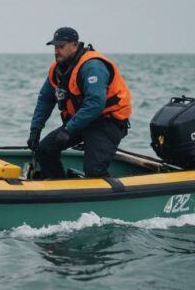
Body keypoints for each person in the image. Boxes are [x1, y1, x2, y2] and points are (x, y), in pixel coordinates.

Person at [27, 27, 132, 178]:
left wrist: (68, 129)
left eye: (61, 46)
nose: (57, 51)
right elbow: (45, 99)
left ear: (75, 45)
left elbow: (96, 103)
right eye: (55, 47)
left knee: (94, 171)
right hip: (80, 122)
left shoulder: (92, 66)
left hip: (107, 122)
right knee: (45, 149)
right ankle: (57, 188)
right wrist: (35, 130)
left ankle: (107, 195)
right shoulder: (57, 69)